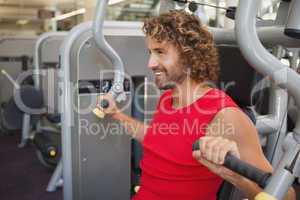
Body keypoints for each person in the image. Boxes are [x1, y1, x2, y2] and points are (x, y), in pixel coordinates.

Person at [97, 10, 296, 200]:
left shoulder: (226, 115)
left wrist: (234, 176)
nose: (150, 63)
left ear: (190, 56)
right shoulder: (168, 98)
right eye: (150, 52)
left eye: (160, 52)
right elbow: (159, 140)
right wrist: (117, 115)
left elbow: (284, 196)